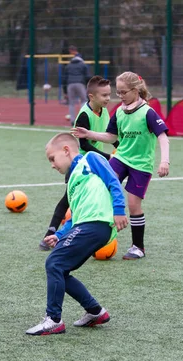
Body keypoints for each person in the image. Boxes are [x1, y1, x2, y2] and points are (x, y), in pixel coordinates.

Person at [26, 133, 127, 336]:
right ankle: (95, 311)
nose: (52, 165)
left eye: (52, 159)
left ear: (66, 150)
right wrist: (60, 234)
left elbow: (113, 181)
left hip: (97, 223)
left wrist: (118, 209)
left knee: (54, 263)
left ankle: (53, 319)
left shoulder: (90, 159)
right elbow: (75, 216)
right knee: (60, 269)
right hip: (86, 225)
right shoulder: (72, 181)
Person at [73, 71, 170, 260]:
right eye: (118, 92)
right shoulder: (119, 111)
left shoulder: (147, 112)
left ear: (135, 90)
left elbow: (163, 137)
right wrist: (89, 134)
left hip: (141, 164)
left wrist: (164, 160)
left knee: (133, 205)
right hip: (121, 158)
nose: (120, 96)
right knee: (102, 190)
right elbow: (111, 137)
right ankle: (91, 236)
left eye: (123, 92)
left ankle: (138, 247)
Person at [39, 75, 116, 251]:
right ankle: (51, 235)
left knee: (97, 197)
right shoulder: (84, 115)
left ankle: (93, 231)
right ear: (91, 96)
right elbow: (85, 145)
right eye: (104, 95)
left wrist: (120, 149)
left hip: (95, 164)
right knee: (69, 200)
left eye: (109, 94)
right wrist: (108, 157)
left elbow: (109, 135)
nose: (108, 98)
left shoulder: (104, 111)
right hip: (78, 165)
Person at [62, 45, 89, 124]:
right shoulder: (83, 65)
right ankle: (81, 119)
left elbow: (64, 79)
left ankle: (72, 120)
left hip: (70, 84)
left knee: (71, 102)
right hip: (80, 83)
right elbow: (87, 76)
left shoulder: (68, 66)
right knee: (84, 100)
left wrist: (65, 91)